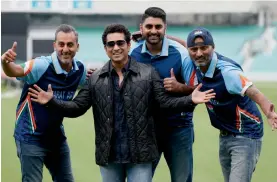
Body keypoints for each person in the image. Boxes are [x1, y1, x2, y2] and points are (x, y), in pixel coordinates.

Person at [28, 24, 215, 182]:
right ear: (105, 48)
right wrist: (51, 101)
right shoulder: (96, 79)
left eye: (120, 43)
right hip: (109, 157)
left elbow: (164, 103)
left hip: (140, 156)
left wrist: (189, 99)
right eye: (111, 44)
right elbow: (77, 107)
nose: (116, 47)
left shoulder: (148, 74)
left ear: (128, 45)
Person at [182, 27, 277, 182]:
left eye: (204, 48)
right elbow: (183, 45)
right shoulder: (196, 63)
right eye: (194, 49)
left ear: (213, 47)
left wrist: (269, 112)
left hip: (246, 135)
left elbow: (255, 92)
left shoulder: (227, 72)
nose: (199, 53)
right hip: (225, 135)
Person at [1, 24, 87, 182]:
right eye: (61, 44)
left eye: (70, 44)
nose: (65, 49)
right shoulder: (41, 65)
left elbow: (88, 83)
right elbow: (14, 71)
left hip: (56, 138)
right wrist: (6, 63)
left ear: (77, 46)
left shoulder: (80, 71)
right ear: (54, 45)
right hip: (30, 138)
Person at [129, 7, 195, 182]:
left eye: (158, 27)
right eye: (149, 26)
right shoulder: (132, 55)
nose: (153, 31)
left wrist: (180, 87)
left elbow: (197, 89)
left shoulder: (180, 54)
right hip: (145, 130)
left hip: (179, 128)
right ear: (141, 28)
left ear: (165, 28)